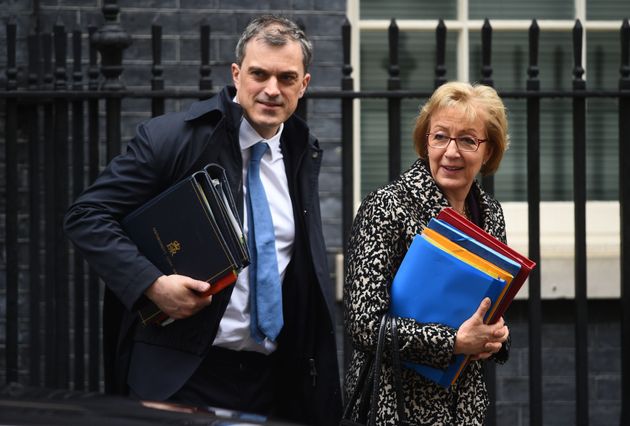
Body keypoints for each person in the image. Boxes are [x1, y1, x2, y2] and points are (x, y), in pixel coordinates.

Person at [64, 14, 341, 425]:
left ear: (304, 84)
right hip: (179, 377)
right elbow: (86, 215)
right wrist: (152, 285)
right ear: (236, 74)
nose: (271, 89)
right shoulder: (172, 137)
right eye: (259, 74)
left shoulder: (302, 152)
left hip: (271, 384)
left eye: (286, 78)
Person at [343, 81, 511, 425]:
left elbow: (491, 304)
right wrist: (453, 342)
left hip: (463, 411)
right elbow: (363, 325)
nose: (451, 152)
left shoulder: (490, 213)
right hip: (394, 406)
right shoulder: (386, 206)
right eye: (440, 137)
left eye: (467, 140)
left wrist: (495, 338)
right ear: (425, 142)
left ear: (488, 151)